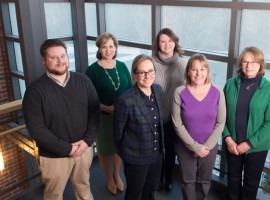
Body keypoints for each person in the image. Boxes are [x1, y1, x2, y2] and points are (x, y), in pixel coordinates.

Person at [22, 39, 100, 200]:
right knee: (54, 195)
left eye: (63, 56)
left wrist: (86, 142)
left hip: (83, 149)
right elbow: (37, 130)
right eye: (54, 57)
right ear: (43, 60)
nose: (60, 61)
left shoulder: (83, 81)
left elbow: (95, 113)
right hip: (53, 157)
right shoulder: (34, 91)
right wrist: (68, 149)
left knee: (84, 188)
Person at [223, 46, 270, 200]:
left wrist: (248, 144)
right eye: (245, 62)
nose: (249, 66)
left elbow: (269, 123)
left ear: (260, 64)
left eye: (253, 62)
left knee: (251, 184)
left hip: (257, 148)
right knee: (232, 180)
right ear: (240, 64)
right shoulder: (230, 84)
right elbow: (221, 115)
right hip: (232, 144)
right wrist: (227, 138)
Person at [172, 53, 226, 200]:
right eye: (194, 69)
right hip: (185, 147)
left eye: (202, 69)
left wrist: (205, 147)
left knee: (204, 181)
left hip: (209, 147)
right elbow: (177, 123)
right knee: (187, 181)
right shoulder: (179, 92)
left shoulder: (217, 92)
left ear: (207, 71)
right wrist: (195, 147)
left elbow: (221, 123)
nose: (198, 73)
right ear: (188, 71)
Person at [85, 32, 132, 195]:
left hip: (122, 116)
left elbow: (130, 89)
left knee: (119, 146)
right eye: (104, 47)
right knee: (105, 149)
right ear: (99, 49)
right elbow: (88, 98)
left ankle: (116, 173)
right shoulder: (92, 70)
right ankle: (108, 177)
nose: (108, 50)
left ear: (115, 47)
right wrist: (107, 108)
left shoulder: (122, 66)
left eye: (111, 46)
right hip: (103, 117)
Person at [113, 55, 164, 200]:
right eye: (142, 72)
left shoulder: (158, 90)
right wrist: (128, 155)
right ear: (135, 74)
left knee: (150, 189)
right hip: (135, 157)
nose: (147, 76)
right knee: (135, 193)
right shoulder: (125, 100)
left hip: (156, 153)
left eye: (150, 71)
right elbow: (118, 134)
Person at [152, 28, 186, 192]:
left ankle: (168, 178)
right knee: (157, 150)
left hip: (174, 115)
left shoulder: (182, 64)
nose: (167, 44)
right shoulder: (151, 62)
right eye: (163, 41)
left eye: (170, 41)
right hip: (153, 114)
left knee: (170, 149)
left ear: (175, 42)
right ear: (158, 44)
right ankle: (157, 178)